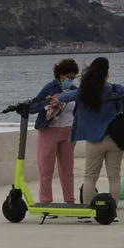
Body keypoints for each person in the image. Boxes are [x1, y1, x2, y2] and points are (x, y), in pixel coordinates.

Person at [55, 57, 124, 223]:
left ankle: (86, 212)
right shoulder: (116, 89)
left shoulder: (84, 92)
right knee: (114, 177)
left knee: (90, 177)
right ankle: (111, 212)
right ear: (107, 73)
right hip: (115, 140)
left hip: (94, 141)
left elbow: (63, 98)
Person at [29, 59, 79, 210]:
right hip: (49, 131)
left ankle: (70, 202)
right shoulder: (49, 88)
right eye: (68, 77)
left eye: (73, 77)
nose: (70, 80)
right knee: (46, 169)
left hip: (68, 132)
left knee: (67, 170)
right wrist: (49, 101)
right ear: (60, 74)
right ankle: (45, 203)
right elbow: (33, 107)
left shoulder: (74, 90)